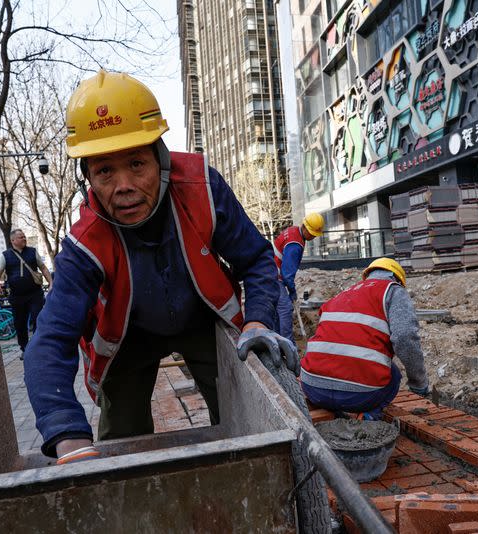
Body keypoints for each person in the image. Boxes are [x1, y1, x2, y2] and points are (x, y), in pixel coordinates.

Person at [23, 70, 296, 465]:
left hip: (202, 317)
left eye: (136, 163)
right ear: (88, 179)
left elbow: (255, 260)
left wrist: (257, 322)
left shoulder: (202, 188)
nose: (124, 185)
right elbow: (49, 340)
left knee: (245, 412)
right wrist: (67, 436)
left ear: (161, 159)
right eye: (104, 171)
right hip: (128, 335)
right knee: (119, 437)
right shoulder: (86, 242)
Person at [299, 258, 429, 421]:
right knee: (393, 375)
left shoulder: (342, 294)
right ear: (397, 279)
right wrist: (419, 383)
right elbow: (405, 338)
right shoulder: (393, 290)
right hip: (359, 396)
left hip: (312, 388)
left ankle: (335, 408)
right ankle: (369, 416)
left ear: (367, 276)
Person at [0, 229, 53, 359]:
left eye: (24, 236)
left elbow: (43, 268)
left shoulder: (32, 252)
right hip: (17, 296)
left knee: (38, 318)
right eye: (21, 237)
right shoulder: (5, 255)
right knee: (20, 323)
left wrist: (51, 283)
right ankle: (25, 348)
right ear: (13, 240)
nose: (24, 238)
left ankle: (37, 346)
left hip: (35, 293)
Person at [272, 213, 324, 341]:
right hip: (273, 276)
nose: (313, 237)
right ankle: (287, 345)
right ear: (305, 228)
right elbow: (287, 274)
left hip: (269, 271)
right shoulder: (295, 245)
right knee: (285, 309)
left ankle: (276, 339)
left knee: (276, 311)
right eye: (312, 233)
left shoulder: (293, 230)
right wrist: (292, 291)